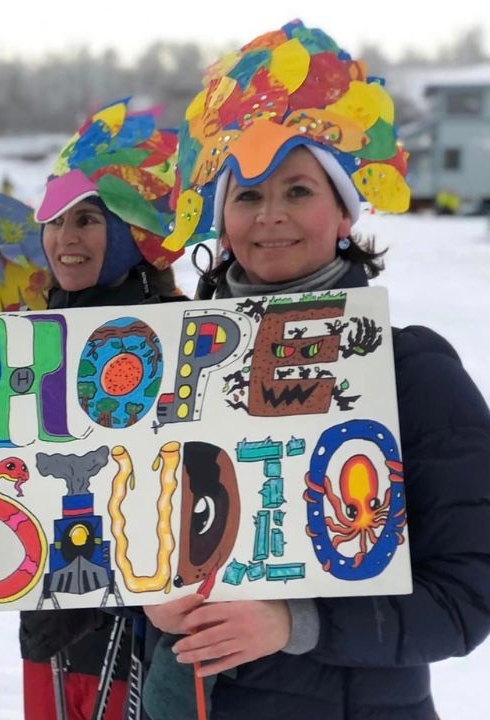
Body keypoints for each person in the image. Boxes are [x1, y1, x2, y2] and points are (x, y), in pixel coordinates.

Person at [139, 19, 490, 719]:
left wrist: (296, 622)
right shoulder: (176, 368)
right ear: (222, 218)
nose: (270, 216)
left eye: (298, 190)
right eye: (247, 194)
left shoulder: (411, 369)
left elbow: (468, 594)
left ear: (342, 215)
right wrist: (141, 595)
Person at [0, 99, 186, 720]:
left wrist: (108, 600)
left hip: (155, 647)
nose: (64, 238)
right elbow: (28, 493)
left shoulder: (178, 338)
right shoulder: (37, 339)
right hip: (51, 634)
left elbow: (196, 508)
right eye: (54, 219)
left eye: (90, 220)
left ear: (136, 232)